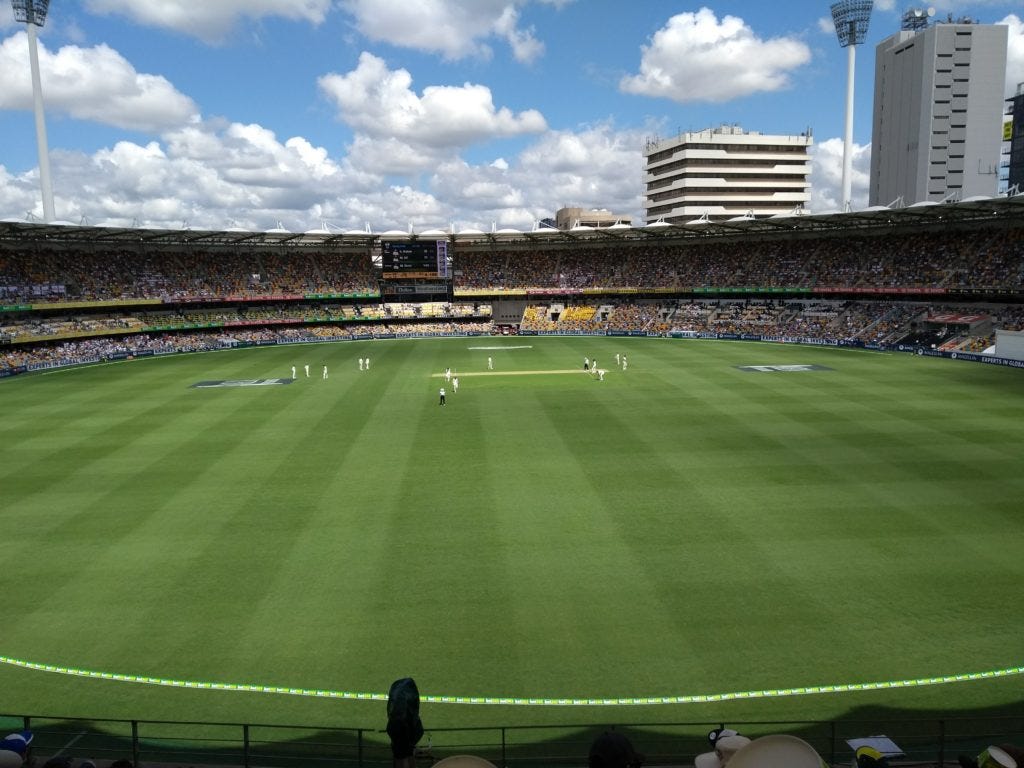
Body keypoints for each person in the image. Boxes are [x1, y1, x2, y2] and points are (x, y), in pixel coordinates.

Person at [386, 677, 424, 768]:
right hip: (408, 734)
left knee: (401, 758)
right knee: (408, 755)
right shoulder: (410, 717)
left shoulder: (397, 719)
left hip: (401, 734)